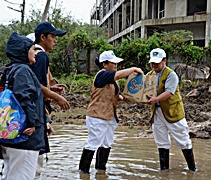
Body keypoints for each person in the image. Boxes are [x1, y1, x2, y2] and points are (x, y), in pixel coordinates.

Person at [78, 50, 144, 174]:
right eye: (113, 63)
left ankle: (101, 170)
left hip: (109, 116)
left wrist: (125, 98)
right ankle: (83, 171)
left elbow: (114, 95)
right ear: (104, 64)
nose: (115, 65)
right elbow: (119, 75)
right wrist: (134, 68)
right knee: (93, 143)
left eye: (116, 63)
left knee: (106, 143)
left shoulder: (112, 80)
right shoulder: (102, 75)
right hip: (97, 116)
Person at [0, 32, 50, 180]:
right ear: (23, 50)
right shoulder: (23, 70)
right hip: (25, 138)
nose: (35, 53)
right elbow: (25, 98)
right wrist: (34, 123)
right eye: (32, 49)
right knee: (22, 176)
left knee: (10, 174)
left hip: (11, 135)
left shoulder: (9, 69)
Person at [146, 48, 197, 171]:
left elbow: (169, 92)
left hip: (173, 112)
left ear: (164, 61)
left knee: (183, 140)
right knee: (161, 141)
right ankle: (164, 170)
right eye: (152, 63)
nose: (154, 65)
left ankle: (192, 168)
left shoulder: (171, 75)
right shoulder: (149, 75)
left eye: (157, 63)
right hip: (157, 113)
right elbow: (144, 91)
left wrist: (155, 99)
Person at [33, 22, 70, 111]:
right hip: (37, 105)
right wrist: (57, 98)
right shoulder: (42, 56)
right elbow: (37, 85)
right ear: (42, 37)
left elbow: (33, 81)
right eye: (52, 37)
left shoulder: (33, 53)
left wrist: (51, 88)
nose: (55, 40)